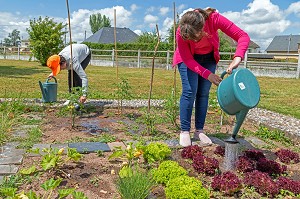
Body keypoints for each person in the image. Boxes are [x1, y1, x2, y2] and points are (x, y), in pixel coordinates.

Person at [173, 8, 250, 147]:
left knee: (203, 93)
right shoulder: (182, 31)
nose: (194, 40)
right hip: (187, 59)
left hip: (208, 58)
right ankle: (184, 131)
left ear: (203, 26)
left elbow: (243, 36)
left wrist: (238, 57)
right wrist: (207, 75)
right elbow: (188, 60)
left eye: (196, 37)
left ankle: (199, 131)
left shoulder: (214, 19)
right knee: (190, 91)